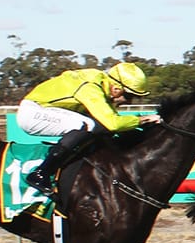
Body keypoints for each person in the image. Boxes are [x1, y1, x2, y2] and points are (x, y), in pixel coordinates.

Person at [15, 61, 161, 197]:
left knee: (97, 127)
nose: (129, 101)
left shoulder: (102, 84)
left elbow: (111, 124)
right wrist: (144, 119)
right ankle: (41, 173)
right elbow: (113, 123)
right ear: (116, 89)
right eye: (129, 96)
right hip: (33, 113)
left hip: (45, 110)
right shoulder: (91, 88)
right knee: (86, 125)